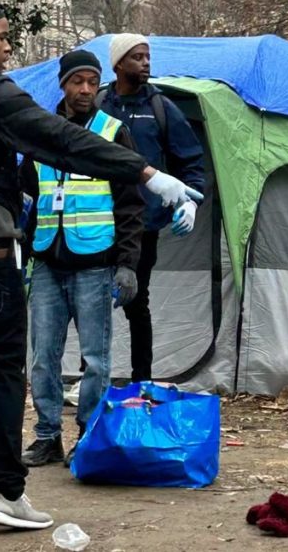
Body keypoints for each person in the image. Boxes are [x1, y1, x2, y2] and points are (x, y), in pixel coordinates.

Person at [0, 0, 196, 529]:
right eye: (2, 37)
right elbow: (64, 141)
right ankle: (6, 493)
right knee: (5, 370)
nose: (8, 48)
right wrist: (150, 174)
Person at [19, 50, 144, 469]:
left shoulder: (113, 132)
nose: (86, 90)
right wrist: (23, 256)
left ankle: (88, 435)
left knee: (96, 359)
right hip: (47, 262)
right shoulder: (41, 133)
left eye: (93, 82)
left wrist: (128, 263)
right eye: (78, 82)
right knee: (41, 358)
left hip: (95, 261)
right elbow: (27, 198)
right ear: (63, 85)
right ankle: (46, 436)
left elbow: (130, 204)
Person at [96, 33, 205, 382]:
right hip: (95, 219)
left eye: (147, 56)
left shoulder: (160, 107)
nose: (145, 63)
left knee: (135, 301)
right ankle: (90, 376)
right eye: (137, 57)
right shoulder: (99, 104)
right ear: (118, 64)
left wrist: (191, 202)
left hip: (142, 224)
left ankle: (141, 379)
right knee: (90, 300)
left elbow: (190, 160)